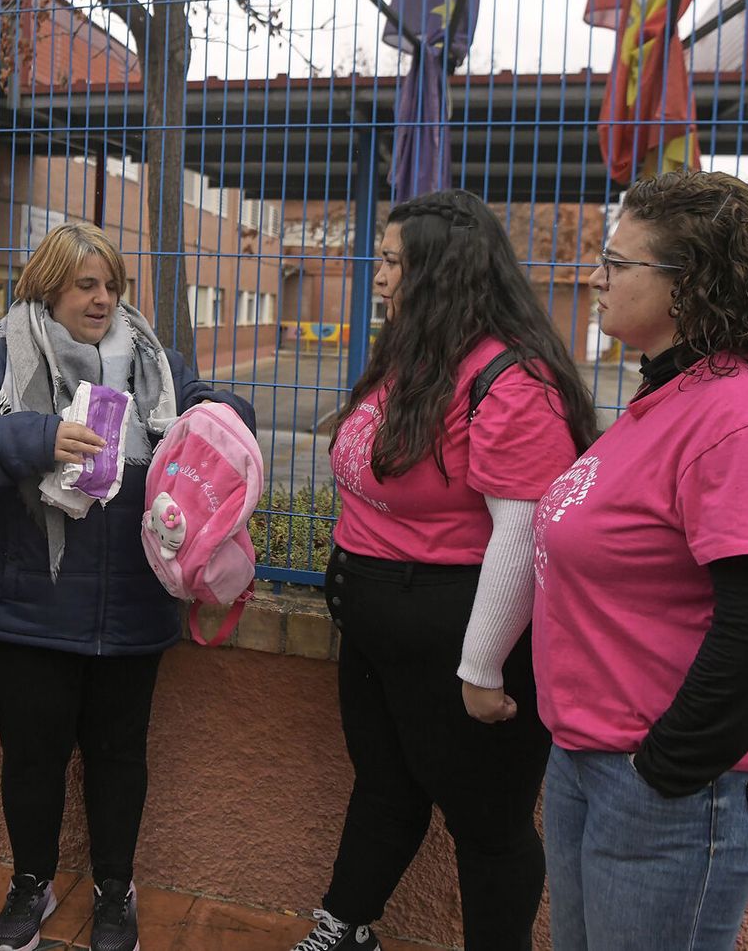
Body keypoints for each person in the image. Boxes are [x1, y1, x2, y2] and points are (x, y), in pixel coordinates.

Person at [0, 222, 255, 951]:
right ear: (48, 288)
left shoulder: (154, 366)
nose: (103, 298)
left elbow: (212, 414)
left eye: (111, 284)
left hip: (132, 606)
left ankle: (113, 889)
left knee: (119, 757)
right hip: (27, 608)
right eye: (85, 284)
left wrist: (227, 421)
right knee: (32, 758)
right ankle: (30, 884)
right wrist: (37, 436)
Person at [291, 190, 598, 951]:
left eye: (395, 260)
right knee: (385, 786)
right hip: (376, 623)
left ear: (444, 270)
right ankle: (346, 923)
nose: (381, 274)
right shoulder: (413, 355)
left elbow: (521, 531)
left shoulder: (512, 380)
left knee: (487, 823)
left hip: (460, 634)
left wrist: (480, 665)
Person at [533, 170, 748, 950]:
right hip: (593, 758)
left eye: (616, 261)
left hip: (672, 787)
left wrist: (661, 771)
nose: (594, 276)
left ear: (687, 286)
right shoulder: (672, 398)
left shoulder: (746, 419)